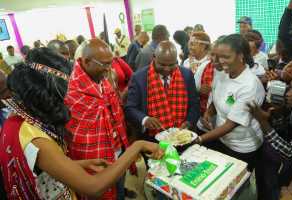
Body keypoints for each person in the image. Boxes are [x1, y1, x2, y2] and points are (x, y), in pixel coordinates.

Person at [0, 48, 163, 200]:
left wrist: (80, 164)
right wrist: (138, 146)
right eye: (60, 96)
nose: (64, 102)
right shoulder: (35, 138)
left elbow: (42, 168)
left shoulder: (17, 119)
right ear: (44, 95)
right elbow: (93, 187)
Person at [64, 39, 137, 200]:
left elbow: (113, 108)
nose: (109, 69)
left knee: (118, 184)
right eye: (104, 64)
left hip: (117, 146)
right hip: (93, 157)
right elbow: (75, 134)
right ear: (86, 61)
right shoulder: (71, 90)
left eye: (110, 63)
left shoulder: (101, 78)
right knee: (102, 192)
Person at [198, 34, 265, 172]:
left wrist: (198, 139)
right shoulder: (221, 73)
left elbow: (230, 125)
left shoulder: (249, 85)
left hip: (242, 146)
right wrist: (209, 112)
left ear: (241, 56)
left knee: (235, 182)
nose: (220, 61)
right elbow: (217, 96)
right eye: (217, 56)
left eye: (226, 57)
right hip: (221, 138)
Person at [125, 41, 199, 141]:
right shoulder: (139, 78)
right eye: (162, 64)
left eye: (172, 64)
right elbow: (130, 108)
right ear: (154, 57)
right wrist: (145, 119)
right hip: (152, 139)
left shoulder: (186, 75)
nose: (167, 69)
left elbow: (194, 104)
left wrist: (189, 122)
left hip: (181, 137)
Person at [248, 75, 292, 200]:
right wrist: (278, 113)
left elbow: (289, 151)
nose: (288, 94)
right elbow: (288, 129)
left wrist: (262, 121)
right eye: (289, 88)